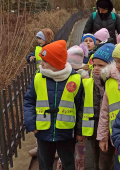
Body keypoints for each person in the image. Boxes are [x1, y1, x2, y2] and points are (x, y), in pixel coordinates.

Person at [23, 40, 84, 170]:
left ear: (56, 63)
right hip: (43, 131)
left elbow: (80, 107)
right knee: (44, 165)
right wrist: (31, 123)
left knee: (68, 164)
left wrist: (79, 131)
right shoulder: (39, 78)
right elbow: (28, 101)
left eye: (45, 61)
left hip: (66, 132)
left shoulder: (75, 79)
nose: (41, 64)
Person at [77, 43, 116, 170]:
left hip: (109, 130)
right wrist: (80, 130)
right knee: (95, 156)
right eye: (94, 65)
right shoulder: (88, 84)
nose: (96, 68)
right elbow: (82, 108)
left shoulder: (114, 84)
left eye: (101, 65)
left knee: (106, 159)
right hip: (93, 128)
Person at [56, 44, 89, 170]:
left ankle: (80, 160)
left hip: (78, 117)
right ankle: (62, 160)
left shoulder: (83, 78)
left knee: (79, 141)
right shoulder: (65, 76)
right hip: (67, 116)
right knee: (65, 144)